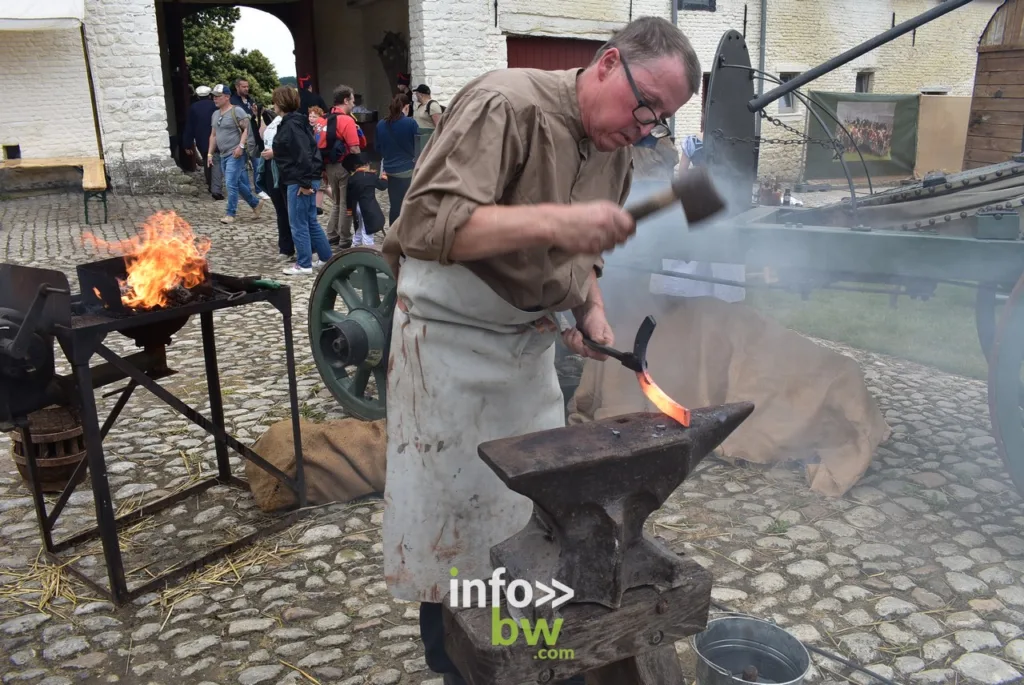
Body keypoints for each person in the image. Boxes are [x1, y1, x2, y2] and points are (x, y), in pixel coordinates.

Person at [378, 16, 700, 685]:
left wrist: (590, 310)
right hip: (449, 348)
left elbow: (585, 257)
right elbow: (430, 221)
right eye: (646, 107)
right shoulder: (505, 102)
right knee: (458, 534)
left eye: (660, 120)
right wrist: (561, 219)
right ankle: (459, 665)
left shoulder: (614, 147)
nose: (646, 128)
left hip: (525, 354)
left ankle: (533, 655)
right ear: (609, 63)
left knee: (537, 524)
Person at [270, 86, 333, 276]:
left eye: (274, 102)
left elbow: (303, 155)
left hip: (299, 180)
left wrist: (304, 184)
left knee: (298, 223)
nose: (273, 105)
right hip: (304, 178)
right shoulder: (297, 122)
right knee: (310, 220)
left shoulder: (291, 125)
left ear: (280, 103)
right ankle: (326, 257)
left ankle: (304, 263)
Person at [207, 84, 264, 224]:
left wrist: (241, 146)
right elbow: (213, 135)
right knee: (236, 182)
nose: (215, 99)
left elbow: (247, 129)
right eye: (214, 96)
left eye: (218, 96)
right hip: (222, 154)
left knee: (230, 183)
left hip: (236, 153)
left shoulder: (237, 111)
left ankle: (230, 214)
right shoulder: (215, 114)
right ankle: (255, 203)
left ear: (227, 97)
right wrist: (209, 154)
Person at [319, 85, 362, 248]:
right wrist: (361, 168)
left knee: (337, 202)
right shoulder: (346, 120)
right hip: (345, 167)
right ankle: (345, 238)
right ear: (345, 100)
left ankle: (332, 235)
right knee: (346, 203)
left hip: (329, 166)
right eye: (352, 101)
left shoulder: (323, 119)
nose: (353, 104)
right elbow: (354, 147)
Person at [375, 93, 418, 226]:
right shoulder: (410, 123)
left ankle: (393, 231)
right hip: (407, 170)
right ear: (406, 107)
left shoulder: (381, 124)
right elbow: (418, 145)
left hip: (389, 170)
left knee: (395, 204)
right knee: (409, 203)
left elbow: (377, 148)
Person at [259, 107, 294, 260]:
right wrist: (258, 117)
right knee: (280, 210)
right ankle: (285, 248)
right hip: (270, 167)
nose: (273, 105)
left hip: (283, 168)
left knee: (292, 211)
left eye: (276, 102)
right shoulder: (273, 120)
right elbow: (262, 136)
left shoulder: (292, 122)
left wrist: (275, 153)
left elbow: (296, 148)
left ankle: (306, 248)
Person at [182, 85, 223, 200]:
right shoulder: (216, 106)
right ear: (210, 95)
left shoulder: (193, 108)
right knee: (216, 162)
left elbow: (189, 127)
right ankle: (216, 189)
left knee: (207, 161)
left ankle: (211, 184)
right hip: (216, 138)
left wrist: (187, 144)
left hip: (201, 140)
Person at [345, 151, 388, 247]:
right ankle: (368, 248)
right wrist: (385, 175)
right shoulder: (371, 176)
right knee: (367, 230)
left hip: (356, 207)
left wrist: (349, 210)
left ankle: (355, 245)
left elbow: (348, 196)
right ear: (366, 164)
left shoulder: (352, 178)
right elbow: (382, 186)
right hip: (367, 207)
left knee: (359, 227)